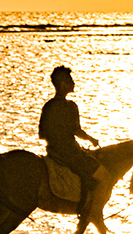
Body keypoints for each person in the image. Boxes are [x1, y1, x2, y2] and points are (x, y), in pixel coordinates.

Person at [38, 66, 102, 211]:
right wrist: (92, 140)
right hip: (69, 152)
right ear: (63, 84)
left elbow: (41, 134)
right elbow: (77, 131)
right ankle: (85, 206)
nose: (73, 84)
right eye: (70, 81)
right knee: (95, 176)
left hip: (52, 150)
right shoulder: (70, 106)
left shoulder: (48, 106)